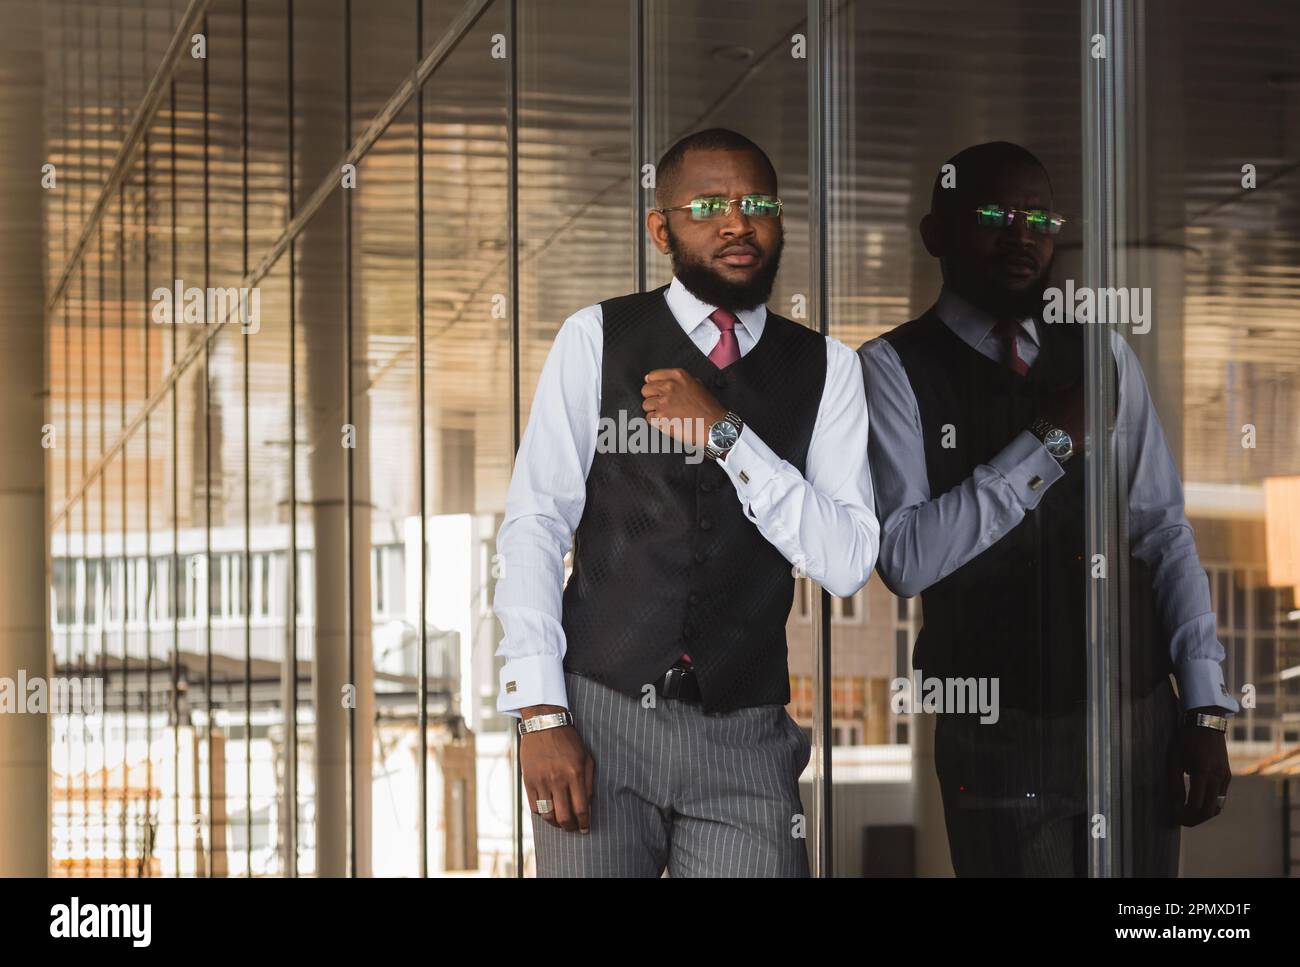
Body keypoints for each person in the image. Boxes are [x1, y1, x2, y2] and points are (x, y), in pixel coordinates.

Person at [493, 128, 879, 877]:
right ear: (661, 228)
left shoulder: (828, 368)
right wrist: (540, 711)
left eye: (757, 203)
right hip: (599, 714)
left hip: (747, 734)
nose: (738, 223)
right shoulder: (596, 338)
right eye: (708, 205)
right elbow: (536, 524)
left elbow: (847, 560)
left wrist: (728, 435)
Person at [859, 141, 1237, 876]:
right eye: (995, 214)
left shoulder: (1105, 354)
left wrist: (1205, 706)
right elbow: (904, 558)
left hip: (1134, 718)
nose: (1022, 234)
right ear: (937, 234)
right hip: (996, 731)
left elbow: (1163, 533)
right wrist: (1047, 445)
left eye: (1039, 216)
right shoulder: (890, 367)